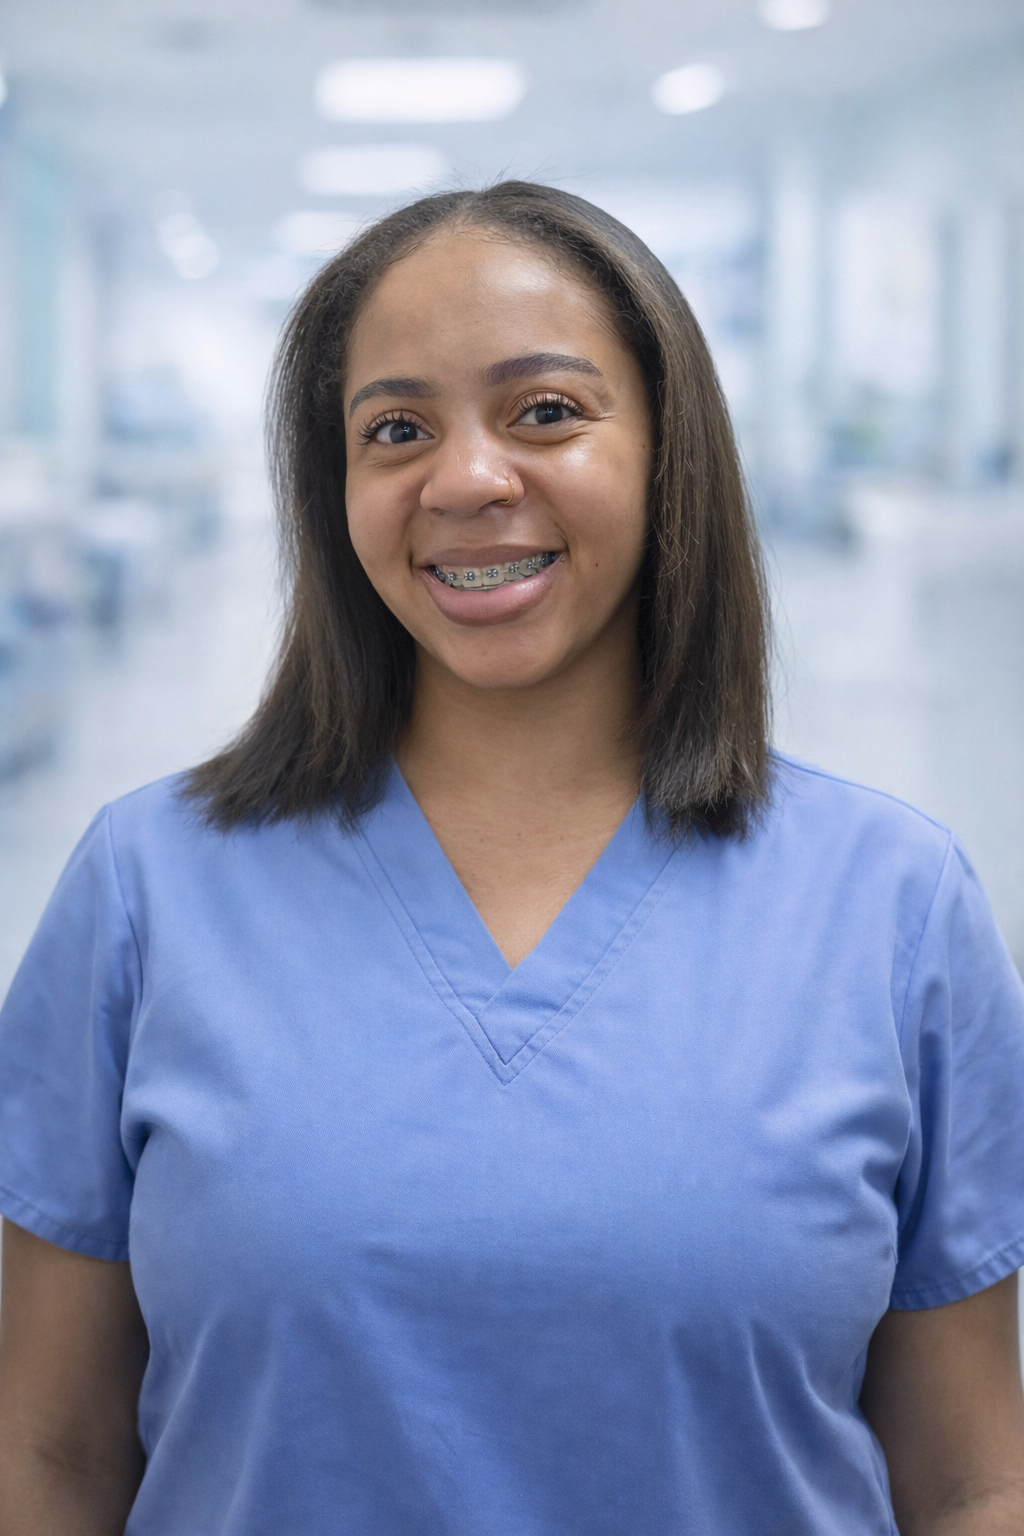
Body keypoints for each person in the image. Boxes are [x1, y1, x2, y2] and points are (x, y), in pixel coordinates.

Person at [0, 181, 1022, 1536]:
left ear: (670, 451)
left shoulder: (892, 904)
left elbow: (972, 1481)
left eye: (545, 411)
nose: (467, 479)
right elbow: (50, 1456)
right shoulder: (148, 888)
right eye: (396, 429)